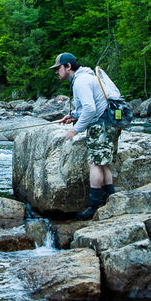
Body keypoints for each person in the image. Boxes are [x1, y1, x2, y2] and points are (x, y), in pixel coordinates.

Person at [49, 52, 121, 220]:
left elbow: (90, 109)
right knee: (103, 163)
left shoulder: (81, 81)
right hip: (109, 123)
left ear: (68, 66)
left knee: (94, 164)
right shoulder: (85, 77)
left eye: (58, 68)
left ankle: (94, 206)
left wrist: (75, 130)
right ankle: (110, 200)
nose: (56, 72)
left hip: (101, 125)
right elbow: (89, 106)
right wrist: (73, 115)